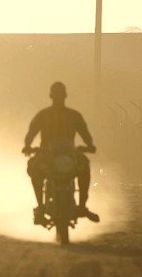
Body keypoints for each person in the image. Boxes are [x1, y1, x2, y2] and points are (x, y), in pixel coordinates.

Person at [22, 82, 100, 225]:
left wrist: (90, 145)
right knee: (36, 168)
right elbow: (32, 131)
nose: (58, 97)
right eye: (56, 94)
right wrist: (27, 145)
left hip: (70, 155)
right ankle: (40, 207)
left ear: (65, 96)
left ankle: (82, 206)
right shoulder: (43, 115)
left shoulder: (74, 116)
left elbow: (84, 132)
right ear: (51, 96)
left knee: (84, 166)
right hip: (47, 155)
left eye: (60, 94)